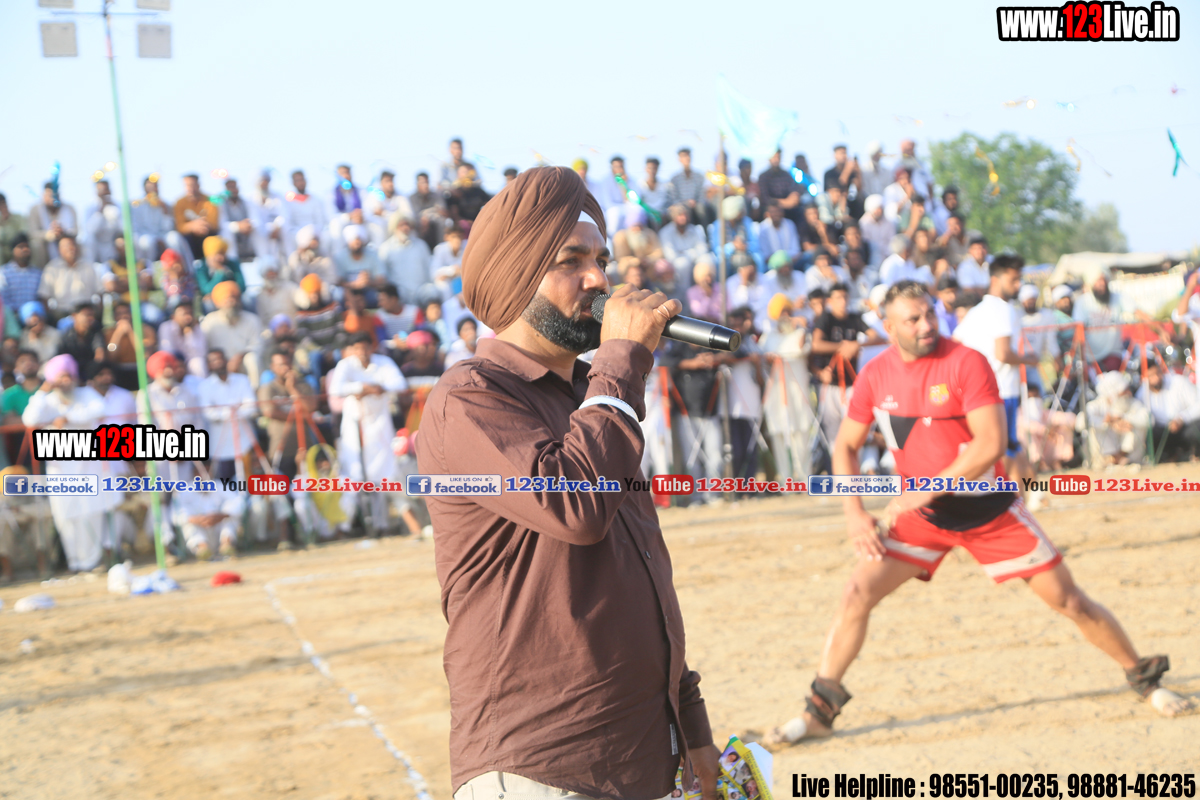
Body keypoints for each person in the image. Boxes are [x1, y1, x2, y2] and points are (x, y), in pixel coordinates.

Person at [762, 280, 1192, 748]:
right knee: (856, 594)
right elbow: (845, 446)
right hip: (923, 518)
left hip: (988, 511)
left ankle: (1145, 680)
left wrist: (923, 490)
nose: (926, 325)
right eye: (913, 319)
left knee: (1069, 601)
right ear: (888, 327)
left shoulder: (966, 361)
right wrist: (854, 514)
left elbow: (989, 444)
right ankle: (818, 713)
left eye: (930, 313)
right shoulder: (875, 374)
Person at [416, 166, 719, 800]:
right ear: (517, 274)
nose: (599, 279)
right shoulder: (469, 397)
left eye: (601, 260)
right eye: (571, 261)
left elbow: (642, 571)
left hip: (642, 760)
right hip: (542, 768)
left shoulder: (596, 399)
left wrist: (692, 727)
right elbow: (576, 507)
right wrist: (621, 362)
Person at [21, 354, 126, 572]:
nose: (66, 381)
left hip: (89, 464)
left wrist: (69, 419)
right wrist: (42, 391)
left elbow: (100, 411)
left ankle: (93, 562)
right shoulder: (47, 399)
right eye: (61, 376)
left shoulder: (86, 394)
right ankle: (76, 562)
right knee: (66, 515)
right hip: (61, 467)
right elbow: (29, 419)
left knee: (92, 512)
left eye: (69, 376)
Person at [953, 256, 1042, 500]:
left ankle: (1034, 494)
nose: (1018, 285)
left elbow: (955, 343)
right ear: (995, 279)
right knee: (1004, 450)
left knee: (1010, 445)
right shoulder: (1004, 309)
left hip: (980, 392)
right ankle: (1018, 502)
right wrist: (1028, 359)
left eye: (1019, 279)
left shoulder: (976, 311)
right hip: (1003, 390)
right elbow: (1003, 354)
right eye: (1013, 280)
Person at [328, 331, 407, 535]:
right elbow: (335, 389)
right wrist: (361, 387)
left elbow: (400, 384)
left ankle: (381, 525)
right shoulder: (345, 365)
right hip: (354, 427)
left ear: (372, 347)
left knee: (382, 474)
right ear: (352, 350)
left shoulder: (383, 362)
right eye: (357, 348)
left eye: (365, 347)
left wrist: (379, 388)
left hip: (379, 426)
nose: (362, 352)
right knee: (353, 475)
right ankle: (345, 527)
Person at [810, 283, 882, 463]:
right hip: (829, 384)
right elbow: (816, 345)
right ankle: (839, 472)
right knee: (832, 434)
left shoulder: (854, 318)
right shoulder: (826, 318)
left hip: (851, 384)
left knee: (854, 431)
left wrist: (857, 344)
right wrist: (842, 347)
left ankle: (855, 470)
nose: (842, 302)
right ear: (830, 301)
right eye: (838, 298)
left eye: (845, 297)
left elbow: (877, 337)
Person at [761, 295, 813, 479]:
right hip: (775, 394)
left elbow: (801, 348)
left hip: (798, 393)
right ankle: (786, 482)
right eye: (782, 312)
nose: (785, 316)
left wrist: (802, 327)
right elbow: (762, 362)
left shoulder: (800, 334)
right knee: (779, 434)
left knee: (801, 434)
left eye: (788, 312)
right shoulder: (768, 338)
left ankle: (805, 480)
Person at [198, 347, 258, 481]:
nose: (218, 362)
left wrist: (231, 413)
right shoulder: (205, 386)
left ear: (226, 360)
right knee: (224, 483)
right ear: (209, 365)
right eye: (213, 360)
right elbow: (208, 413)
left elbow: (251, 406)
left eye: (220, 359)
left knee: (248, 480)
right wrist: (230, 412)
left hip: (244, 440)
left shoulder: (242, 380)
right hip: (220, 444)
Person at [199, 281, 264, 385]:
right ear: (218, 303)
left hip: (243, 362)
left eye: (233, 298)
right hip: (220, 365)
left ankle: (255, 390)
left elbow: (258, 345)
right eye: (226, 299)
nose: (231, 302)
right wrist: (223, 361)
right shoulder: (209, 322)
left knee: (252, 359)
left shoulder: (252, 319)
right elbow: (205, 347)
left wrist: (239, 357)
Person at [1082, 371, 1150, 466]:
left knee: (1138, 425)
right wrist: (1108, 423)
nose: (1129, 393)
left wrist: (1124, 419)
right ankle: (1114, 458)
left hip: (1129, 455)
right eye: (1124, 390)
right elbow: (1080, 422)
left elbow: (1149, 419)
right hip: (1103, 456)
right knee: (1093, 427)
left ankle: (1122, 458)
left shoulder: (1132, 403)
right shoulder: (1096, 405)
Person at [1137, 360, 1200, 462]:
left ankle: (1195, 454)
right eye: (1151, 376)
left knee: (1196, 428)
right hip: (1163, 433)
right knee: (1149, 434)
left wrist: (1181, 418)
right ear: (1142, 379)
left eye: (1158, 373)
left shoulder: (1178, 382)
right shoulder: (1141, 394)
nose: (1157, 378)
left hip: (1185, 426)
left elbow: (1198, 405)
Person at [1073, 269, 1127, 371]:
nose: (1102, 284)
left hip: (1112, 354)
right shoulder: (1082, 302)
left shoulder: (1117, 297)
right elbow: (1078, 330)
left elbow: (1137, 311)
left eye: (1104, 280)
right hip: (1090, 357)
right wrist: (1079, 358)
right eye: (1098, 280)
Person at [37, 235, 100, 320]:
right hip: (62, 314)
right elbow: (44, 296)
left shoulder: (88, 266)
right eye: (66, 246)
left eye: (73, 245)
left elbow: (100, 291)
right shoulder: (52, 268)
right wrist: (50, 318)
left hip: (86, 313)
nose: (71, 248)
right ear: (59, 250)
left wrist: (98, 314)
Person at [380, 213, 432, 301]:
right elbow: (384, 274)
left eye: (408, 225)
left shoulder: (421, 245)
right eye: (401, 225)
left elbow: (429, 267)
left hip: (421, 292)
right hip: (398, 295)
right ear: (394, 227)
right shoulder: (386, 248)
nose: (405, 228)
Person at [1018, 284, 1059, 395]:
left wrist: (1057, 361)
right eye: (1028, 300)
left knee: (1040, 394)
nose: (1031, 302)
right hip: (1017, 365)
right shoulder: (1015, 315)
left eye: (1033, 299)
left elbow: (1051, 343)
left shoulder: (1046, 315)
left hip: (1035, 365)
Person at [28, 182, 79, 268]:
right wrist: (49, 234)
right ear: (44, 195)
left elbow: (75, 231)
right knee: (36, 245)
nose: (52, 198)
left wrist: (63, 232)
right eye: (49, 195)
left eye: (55, 195)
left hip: (65, 240)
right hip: (45, 246)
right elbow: (32, 233)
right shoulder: (35, 210)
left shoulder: (69, 208)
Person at [659, 204, 711, 287]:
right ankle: (685, 292)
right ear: (673, 218)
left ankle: (707, 290)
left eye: (685, 215)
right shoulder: (665, 232)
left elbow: (703, 249)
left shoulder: (697, 229)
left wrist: (684, 253)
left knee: (707, 259)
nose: (683, 218)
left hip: (695, 260)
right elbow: (671, 256)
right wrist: (692, 253)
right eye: (680, 215)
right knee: (683, 264)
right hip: (678, 265)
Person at [173, 174, 219, 264]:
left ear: (198, 185)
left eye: (192, 185)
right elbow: (179, 226)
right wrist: (193, 226)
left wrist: (201, 226)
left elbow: (214, 223)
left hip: (207, 233)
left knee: (212, 240)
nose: (190, 188)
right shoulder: (179, 203)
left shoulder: (210, 200)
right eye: (187, 185)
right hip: (189, 237)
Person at [158, 296, 208, 379]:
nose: (188, 317)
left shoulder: (197, 328)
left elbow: (201, 353)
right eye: (184, 314)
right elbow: (168, 352)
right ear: (173, 317)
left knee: (198, 362)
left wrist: (190, 334)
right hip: (173, 364)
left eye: (190, 313)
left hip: (189, 365)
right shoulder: (166, 327)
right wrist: (181, 364)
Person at [283, 170, 329, 256]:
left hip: (315, 232)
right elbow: (289, 222)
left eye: (302, 180)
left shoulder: (316, 199)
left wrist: (314, 234)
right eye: (298, 180)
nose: (301, 183)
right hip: (296, 233)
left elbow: (320, 221)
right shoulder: (288, 202)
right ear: (293, 183)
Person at [130, 176, 175, 263]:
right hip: (145, 236)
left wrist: (165, 211)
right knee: (146, 242)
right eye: (151, 187)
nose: (154, 190)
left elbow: (168, 227)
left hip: (162, 235)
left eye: (155, 186)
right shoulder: (137, 205)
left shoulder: (165, 204)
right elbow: (136, 227)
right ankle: (148, 267)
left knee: (174, 238)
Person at [57, 301, 105, 381]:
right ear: (74, 316)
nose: (91, 318)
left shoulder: (96, 332)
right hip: (71, 376)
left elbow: (99, 354)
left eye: (92, 315)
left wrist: (93, 375)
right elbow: (62, 360)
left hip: (92, 375)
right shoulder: (65, 337)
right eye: (87, 315)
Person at [758, 149, 803, 232]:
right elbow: (766, 200)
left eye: (778, 157)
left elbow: (795, 195)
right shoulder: (763, 176)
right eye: (774, 157)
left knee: (801, 211)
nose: (776, 159)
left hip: (786, 209)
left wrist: (787, 202)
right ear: (769, 158)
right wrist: (785, 202)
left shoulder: (787, 175)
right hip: (771, 209)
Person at [667, 147, 711, 226]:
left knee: (701, 209)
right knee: (682, 211)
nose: (687, 158)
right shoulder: (675, 179)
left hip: (697, 205)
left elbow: (702, 195)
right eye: (684, 156)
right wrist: (686, 203)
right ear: (679, 159)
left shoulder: (699, 176)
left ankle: (706, 232)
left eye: (688, 155)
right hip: (682, 206)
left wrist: (695, 202)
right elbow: (674, 198)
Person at [82, 179, 123, 264]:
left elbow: (122, 228)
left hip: (111, 242)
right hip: (96, 243)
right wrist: (100, 211)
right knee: (88, 241)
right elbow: (90, 230)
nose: (104, 193)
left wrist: (115, 213)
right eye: (101, 190)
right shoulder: (90, 207)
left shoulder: (117, 206)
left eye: (105, 190)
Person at [1, 233, 40, 315]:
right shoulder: (4, 273)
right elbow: (4, 301)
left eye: (27, 246)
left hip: (34, 316)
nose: (25, 249)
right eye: (21, 247)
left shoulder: (37, 274)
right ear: (13, 250)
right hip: (11, 317)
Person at [758, 202, 801, 268]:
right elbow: (765, 255)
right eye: (773, 212)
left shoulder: (790, 224)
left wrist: (786, 262)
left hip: (791, 262)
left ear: (783, 213)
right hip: (773, 265)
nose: (776, 214)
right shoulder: (763, 228)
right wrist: (780, 262)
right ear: (767, 214)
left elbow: (796, 250)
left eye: (778, 211)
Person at [0, 193, 28, 265]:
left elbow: (23, 234)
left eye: (3, 203)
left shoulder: (18, 217)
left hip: (17, 246)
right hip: (4, 250)